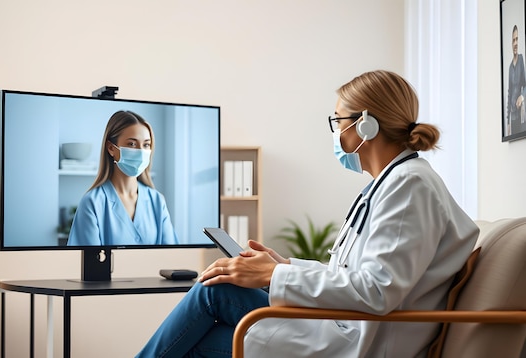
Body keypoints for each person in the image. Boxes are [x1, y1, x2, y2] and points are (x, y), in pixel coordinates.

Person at [136, 70, 479, 357]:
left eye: (338, 121)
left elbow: (377, 291)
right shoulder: (394, 183)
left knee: (214, 291)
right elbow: (355, 274)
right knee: (206, 325)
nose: (335, 131)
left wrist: (274, 275)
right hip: (341, 324)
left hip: (359, 342)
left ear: (365, 126)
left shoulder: (410, 187)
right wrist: (284, 266)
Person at [67, 110, 179, 246]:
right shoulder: (92, 203)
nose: (141, 152)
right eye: (132, 144)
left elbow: (172, 257)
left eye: (146, 145)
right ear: (111, 148)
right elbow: (87, 263)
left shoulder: (157, 201)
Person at [507, 25, 526, 136]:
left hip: (521, 114)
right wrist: (508, 122)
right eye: (513, 40)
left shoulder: (521, 60)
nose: (515, 43)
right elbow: (509, 94)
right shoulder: (510, 67)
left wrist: (522, 96)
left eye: (517, 39)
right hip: (513, 116)